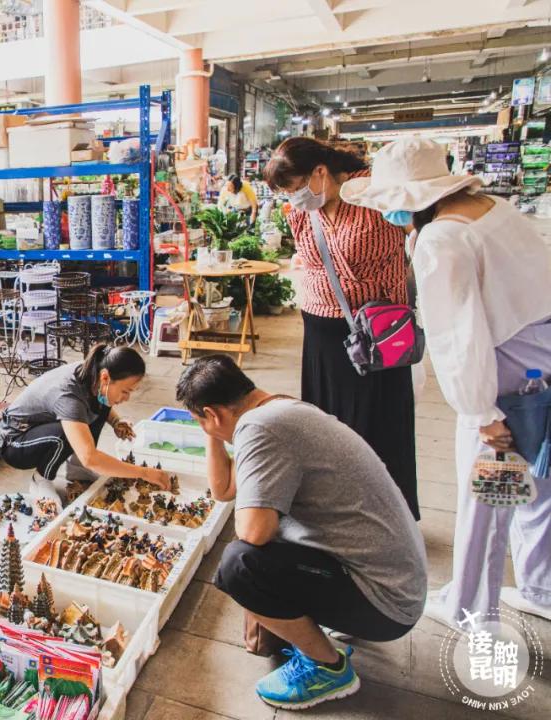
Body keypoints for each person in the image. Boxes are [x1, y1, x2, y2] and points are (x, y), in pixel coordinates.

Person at [341, 137, 551, 626]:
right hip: (542, 369)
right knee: (539, 490)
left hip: (505, 385)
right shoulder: (494, 209)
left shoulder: (442, 239)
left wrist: (480, 413)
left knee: (487, 500)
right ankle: (541, 587)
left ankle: (473, 608)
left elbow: (459, 334)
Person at [176, 354, 427, 710]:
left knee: (239, 566)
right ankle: (316, 634)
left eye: (201, 419)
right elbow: (223, 490)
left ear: (213, 413)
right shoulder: (275, 408)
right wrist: (213, 434)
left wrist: (212, 425)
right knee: (264, 541)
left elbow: (253, 532)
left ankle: (328, 667)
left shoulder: (260, 428)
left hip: (385, 604)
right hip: (394, 582)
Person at [264, 137, 419, 518]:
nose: (293, 198)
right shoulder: (305, 209)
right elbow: (307, 256)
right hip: (320, 329)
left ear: (320, 172)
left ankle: (384, 510)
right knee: (327, 422)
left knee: (374, 423)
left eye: (295, 187)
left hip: (374, 332)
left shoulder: (373, 196)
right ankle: (337, 505)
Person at [0, 343, 170, 499]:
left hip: (40, 428)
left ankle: (80, 475)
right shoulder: (68, 395)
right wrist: (144, 473)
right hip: (14, 442)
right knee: (66, 434)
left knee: (101, 404)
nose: (127, 398)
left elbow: (99, 404)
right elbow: (90, 458)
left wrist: (116, 422)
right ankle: (41, 480)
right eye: (125, 391)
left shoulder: (93, 374)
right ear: (105, 378)